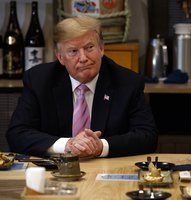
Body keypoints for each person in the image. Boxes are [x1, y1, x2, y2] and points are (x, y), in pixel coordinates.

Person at [6, 15, 157, 158]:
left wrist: (100, 147)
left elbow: (147, 137)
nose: (83, 58)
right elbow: (17, 134)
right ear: (60, 57)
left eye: (89, 47)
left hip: (106, 171)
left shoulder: (127, 82)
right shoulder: (39, 80)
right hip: (55, 172)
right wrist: (68, 145)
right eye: (73, 51)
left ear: (102, 49)